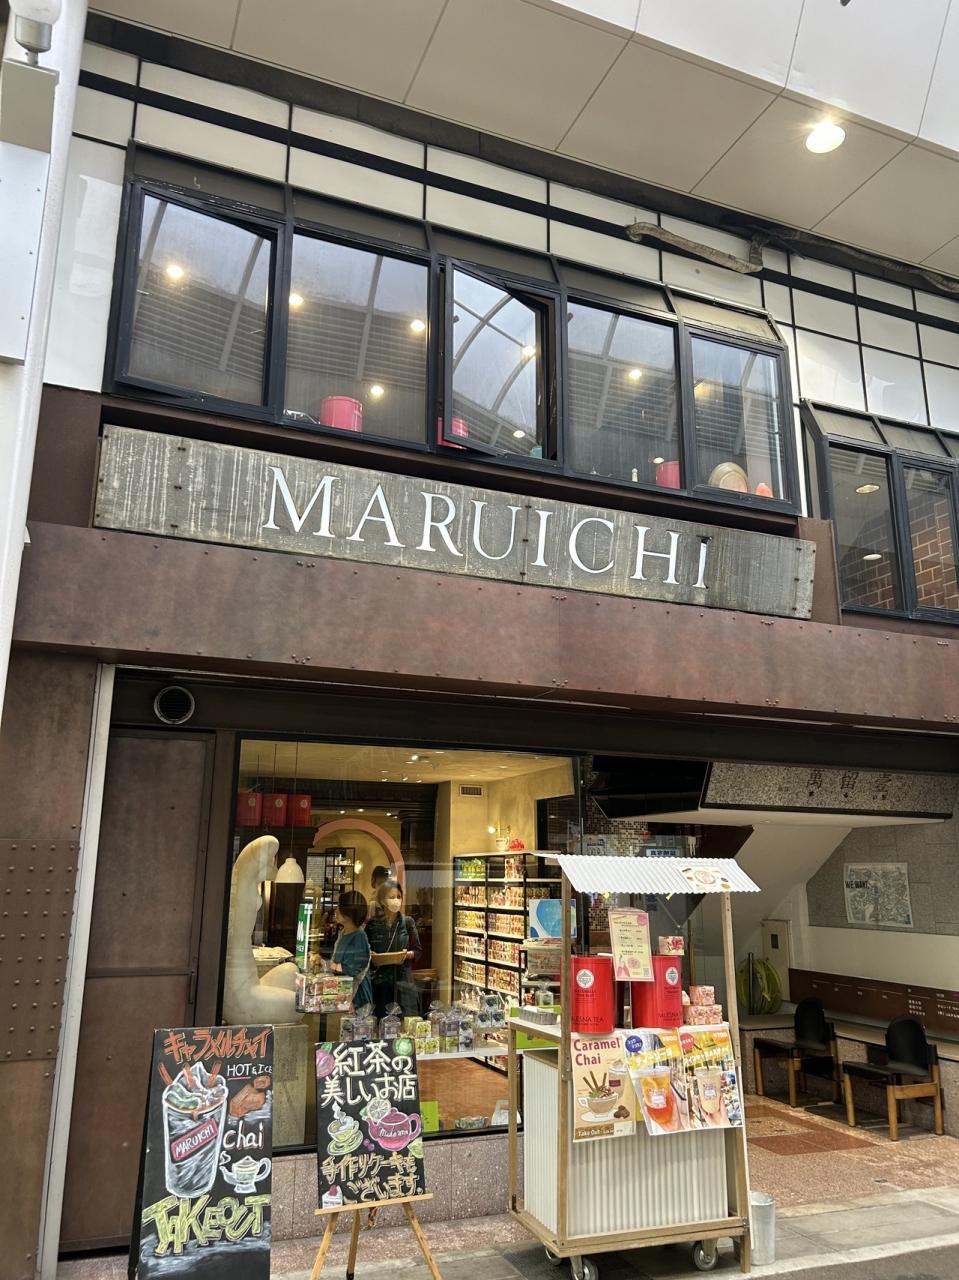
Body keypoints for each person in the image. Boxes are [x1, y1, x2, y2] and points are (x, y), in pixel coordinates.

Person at [366, 878, 421, 1017]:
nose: (396, 900)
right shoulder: (373, 924)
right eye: (391, 897)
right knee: (380, 1019)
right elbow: (364, 951)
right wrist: (371, 955)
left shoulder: (407, 922)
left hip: (402, 979)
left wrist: (406, 954)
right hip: (380, 981)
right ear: (382, 900)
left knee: (405, 1020)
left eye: (398, 896)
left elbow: (418, 951)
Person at [330, 890, 373, 1010]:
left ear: (349, 913)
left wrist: (328, 965)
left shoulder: (359, 937)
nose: (336, 910)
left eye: (339, 907)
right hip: (343, 990)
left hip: (355, 996)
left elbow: (350, 969)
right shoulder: (344, 933)